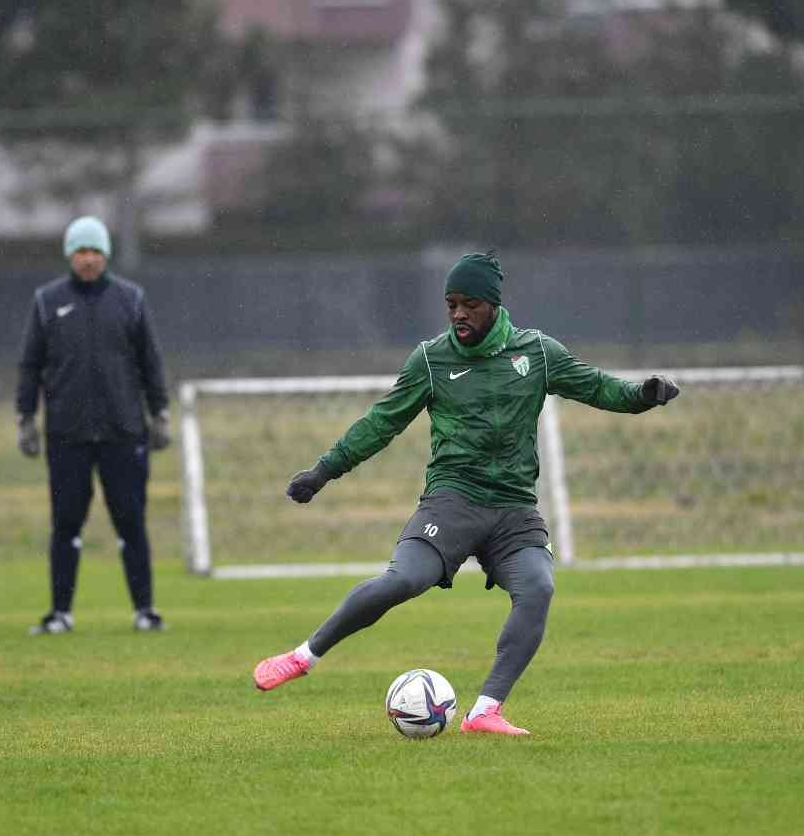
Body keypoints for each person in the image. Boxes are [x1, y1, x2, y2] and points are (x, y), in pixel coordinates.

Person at [251, 251, 680, 734]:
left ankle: (484, 712)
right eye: (451, 304)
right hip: (452, 501)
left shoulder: (537, 353)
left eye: (470, 305)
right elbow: (381, 423)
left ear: (493, 305)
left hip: (515, 509)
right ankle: (302, 656)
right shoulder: (431, 359)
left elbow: (599, 388)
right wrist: (323, 471)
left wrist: (643, 395)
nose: (458, 314)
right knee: (402, 581)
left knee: (538, 588)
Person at [15, 215, 171, 635]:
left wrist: (159, 412)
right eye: (81, 251)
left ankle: (145, 611)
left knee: (131, 524)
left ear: (106, 254)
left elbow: (151, 362)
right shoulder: (47, 301)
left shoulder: (130, 299)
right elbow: (30, 365)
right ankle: (60, 614)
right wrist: (25, 417)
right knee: (66, 526)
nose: (88, 259)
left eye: (95, 251)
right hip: (67, 435)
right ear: (70, 255)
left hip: (124, 432)